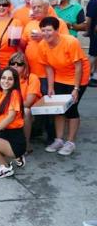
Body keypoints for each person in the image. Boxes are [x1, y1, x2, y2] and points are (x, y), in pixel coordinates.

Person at [39, 16, 90, 156]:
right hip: (60, 76)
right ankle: (59, 139)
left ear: (57, 31)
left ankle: (70, 142)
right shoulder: (42, 45)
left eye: (49, 30)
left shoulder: (70, 42)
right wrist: (50, 87)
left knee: (71, 109)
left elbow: (78, 67)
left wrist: (76, 88)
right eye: (43, 30)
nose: (46, 33)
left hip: (78, 77)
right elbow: (48, 67)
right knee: (59, 109)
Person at [8, 51, 40, 156]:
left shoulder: (32, 78)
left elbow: (28, 103)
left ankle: (26, 145)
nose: (15, 66)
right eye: (12, 63)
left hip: (31, 113)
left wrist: (12, 109)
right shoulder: (7, 79)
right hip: (12, 110)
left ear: (25, 66)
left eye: (19, 64)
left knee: (25, 111)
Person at [85, 0, 97, 87]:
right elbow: (88, 19)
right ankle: (87, 77)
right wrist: (88, 31)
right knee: (93, 55)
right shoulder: (94, 3)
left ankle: (94, 76)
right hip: (95, 33)